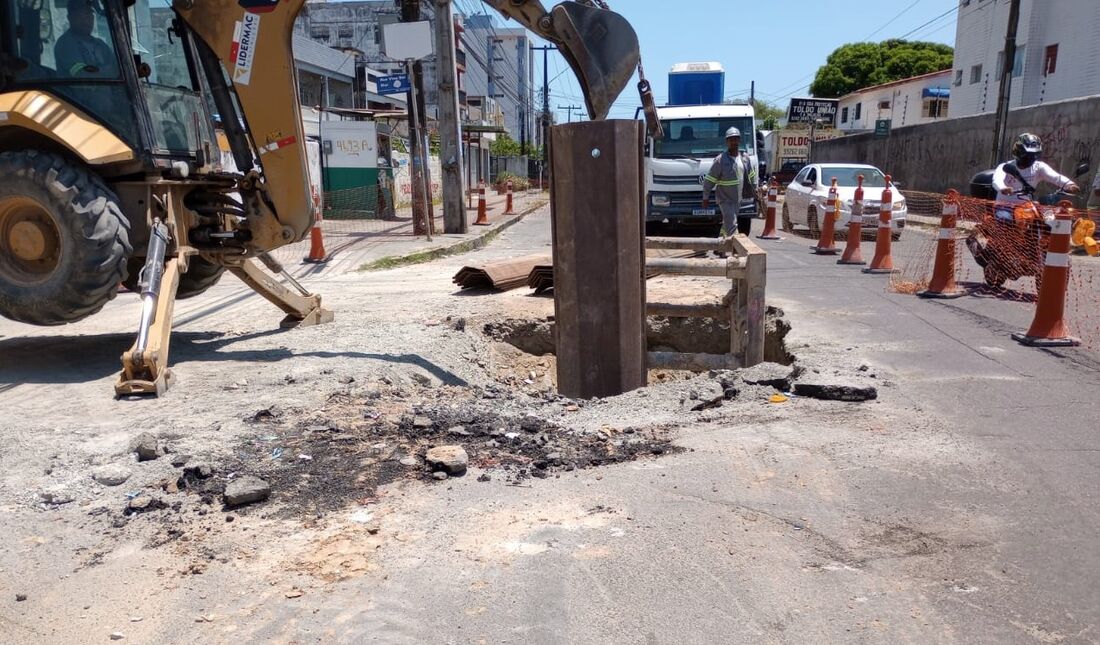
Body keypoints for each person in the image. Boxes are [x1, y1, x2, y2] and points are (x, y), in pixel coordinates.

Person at [991, 133, 1079, 222]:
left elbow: (1055, 177)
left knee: (1048, 221)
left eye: (1035, 154)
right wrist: (1003, 188)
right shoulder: (1006, 166)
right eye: (1028, 155)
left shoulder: (1038, 167)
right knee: (1006, 223)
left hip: (1026, 207)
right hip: (1005, 206)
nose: (1032, 158)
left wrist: (1069, 184)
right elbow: (996, 180)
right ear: (1019, 152)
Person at [702, 127, 752, 236]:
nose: (734, 142)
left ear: (739, 140)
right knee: (732, 224)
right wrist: (705, 197)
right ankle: (735, 249)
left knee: (727, 224)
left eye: (736, 139)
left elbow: (751, 176)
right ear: (726, 142)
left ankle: (720, 246)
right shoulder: (720, 160)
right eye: (731, 140)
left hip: (737, 199)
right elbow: (709, 180)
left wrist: (755, 190)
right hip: (725, 199)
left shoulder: (745, 158)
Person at [54, 0, 117, 78]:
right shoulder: (65, 44)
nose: (86, 19)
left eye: (89, 14)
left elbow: (119, 70)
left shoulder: (100, 45)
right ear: (70, 17)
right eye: (81, 15)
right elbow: (84, 76)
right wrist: (109, 71)